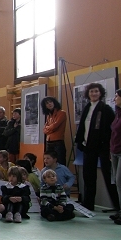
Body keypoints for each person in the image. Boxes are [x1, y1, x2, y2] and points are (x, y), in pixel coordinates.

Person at [75, 82, 119, 211]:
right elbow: (83, 127)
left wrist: (106, 143)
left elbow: (113, 128)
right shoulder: (87, 107)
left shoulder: (105, 108)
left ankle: (118, 206)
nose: (94, 94)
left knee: (109, 176)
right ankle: (89, 204)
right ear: (88, 94)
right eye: (91, 91)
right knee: (88, 176)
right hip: (88, 147)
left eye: (96, 91)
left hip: (103, 148)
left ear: (100, 93)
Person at [41, 96, 68, 165]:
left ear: (54, 102)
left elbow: (54, 126)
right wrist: (49, 129)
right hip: (49, 142)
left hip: (58, 143)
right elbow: (44, 130)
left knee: (60, 163)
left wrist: (49, 129)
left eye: (50, 102)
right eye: (47, 103)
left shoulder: (62, 113)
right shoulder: (48, 116)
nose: (49, 104)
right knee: (48, 163)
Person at [111, 90, 121, 224]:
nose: (115, 99)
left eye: (117, 96)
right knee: (118, 184)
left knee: (120, 181)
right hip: (114, 150)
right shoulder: (117, 113)